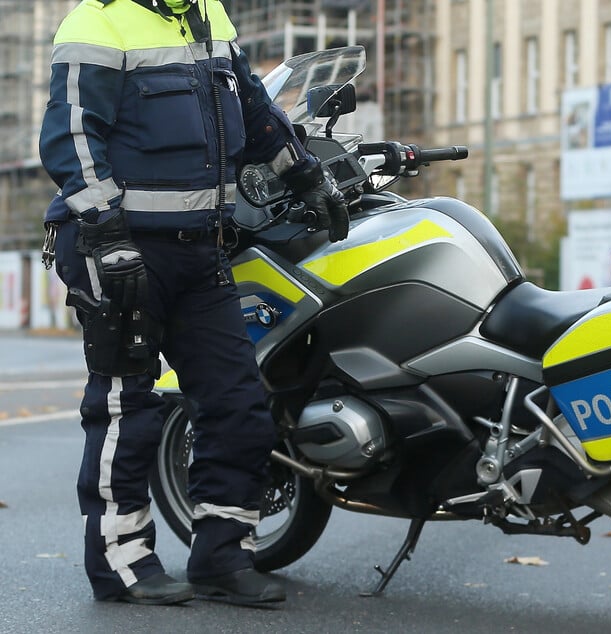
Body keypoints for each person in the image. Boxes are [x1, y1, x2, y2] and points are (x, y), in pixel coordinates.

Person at [38, 0, 348, 606]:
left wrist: (309, 177)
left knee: (238, 399)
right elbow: (71, 136)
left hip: (202, 248)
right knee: (127, 407)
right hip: (123, 246)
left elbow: (256, 115)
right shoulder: (97, 21)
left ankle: (222, 556)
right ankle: (122, 562)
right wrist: (104, 232)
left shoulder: (211, 17)